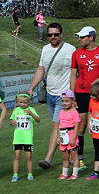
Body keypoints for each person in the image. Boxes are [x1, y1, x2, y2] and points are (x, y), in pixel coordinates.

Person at [27, 23, 76, 170]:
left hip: (64, 95)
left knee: (57, 125)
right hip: (50, 94)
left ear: (61, 34)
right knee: (63, 127)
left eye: (55, 34)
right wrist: (31, 88)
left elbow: (74, 73)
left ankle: (48, 159)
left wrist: (72, 95)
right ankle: (72, 155)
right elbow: (41, 70)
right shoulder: (45, 49)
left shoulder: (69, 49)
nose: (53, 37)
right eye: (50, 35)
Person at [71, 26, 99, 165]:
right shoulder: (76, 54)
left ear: (91, 38)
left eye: (82, 37)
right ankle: (80, 158)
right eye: (79, 37)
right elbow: (73, 75)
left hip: (98, 95)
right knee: (82, 125)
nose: (79, 39)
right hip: (81, 93)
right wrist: (72, 96)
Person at [10, 93, 40, 182]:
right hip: (18, 138)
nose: (22, 104)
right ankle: (15, 174)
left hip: (27, 138)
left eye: (25, 103)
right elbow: (11, 120)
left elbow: (38, 120)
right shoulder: (16, 110)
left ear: (29, 102)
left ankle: (30, 174)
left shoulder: (31, 110)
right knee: (16, 156)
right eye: (20, 102)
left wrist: (31, 114)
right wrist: (12, 122)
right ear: (17, 101)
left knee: (28, 156)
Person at [56, 91, 81, 180]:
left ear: (72, 100)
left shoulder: (74, 112)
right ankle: (64, 174)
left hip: (71, 135)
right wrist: (58, 137)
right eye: (63, 101)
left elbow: (77, 125)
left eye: (67, 101)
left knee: (74, 156)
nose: (64, 103)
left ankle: (75, 174)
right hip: (63, 136)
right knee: (65, 157)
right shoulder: (61, 112)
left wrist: (74, 138)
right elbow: (60, 125)